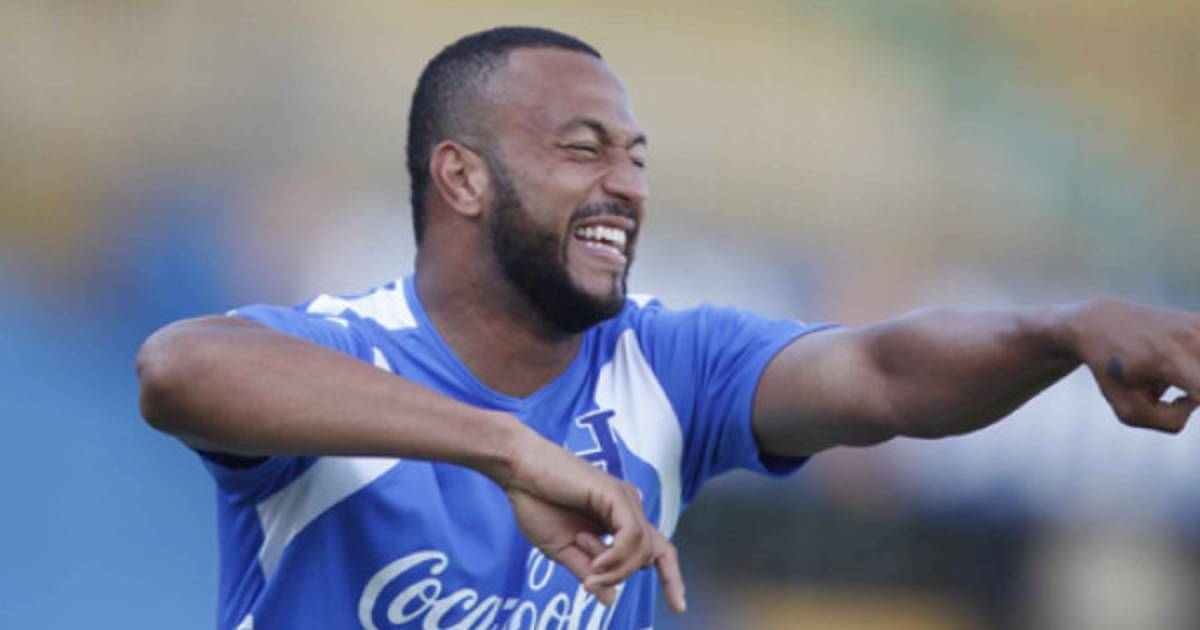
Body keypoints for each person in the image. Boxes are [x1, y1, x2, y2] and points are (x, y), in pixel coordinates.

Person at [136, 26, 1200, 630]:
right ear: (461, 177)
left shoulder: (670, 363)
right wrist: (506, 446)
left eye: (635, 158)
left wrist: (1060, 328)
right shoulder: (345, 353)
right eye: (583, 149)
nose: (626, 186)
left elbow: (885, 373)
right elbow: (178, 368)